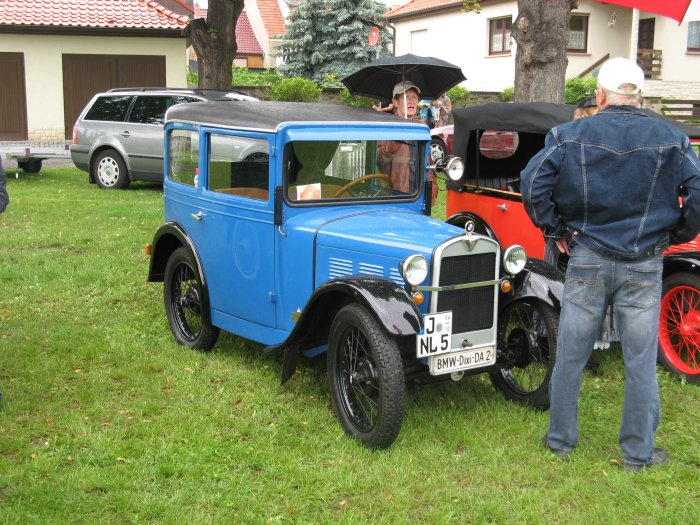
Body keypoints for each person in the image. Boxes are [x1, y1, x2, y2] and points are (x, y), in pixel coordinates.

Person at [520, 57, 700, 471]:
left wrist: (557, 229)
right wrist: (674, 233)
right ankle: (638, 454)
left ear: (600, 95)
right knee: (639, 360)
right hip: (644, 261)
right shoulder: (671, 137)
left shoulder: (569, 134)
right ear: (639, 95)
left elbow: (533, 184)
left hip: (588, 256)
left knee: (570, 352)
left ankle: (560, 441)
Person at [377, 81, 438, 205]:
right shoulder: (387, 127)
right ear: (395, 102)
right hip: (395, 194)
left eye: (414, 97)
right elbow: (381, 159)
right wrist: (399, 132)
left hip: (418, 193)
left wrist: (432, 187)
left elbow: (428, 162)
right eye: (406, 97)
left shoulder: (421, 127)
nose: (412, 101)